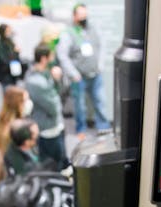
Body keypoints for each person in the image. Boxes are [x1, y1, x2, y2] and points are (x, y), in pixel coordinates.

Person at [56, 4, 110, 138]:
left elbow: (102, 45)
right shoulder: (68, 33)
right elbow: (62, 55)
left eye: (85, 15)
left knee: (100, 101)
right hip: (79, 76)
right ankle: (81, 129)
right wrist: (73, 73)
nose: (84, 18)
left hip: (95, 74)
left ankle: (103, 126)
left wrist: (100, 64)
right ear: (74, 16)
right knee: (80, 105)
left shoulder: (93, 28)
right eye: (81, 15)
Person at [25, 43, 67, 169]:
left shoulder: (46, 74)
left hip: (55, 125)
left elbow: (58, 94)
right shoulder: (36, 82)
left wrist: (56, 80)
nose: (53, 59)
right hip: (48, 130)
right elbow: (53, 105)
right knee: (52, 165)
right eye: (51, 56)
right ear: (44, 58)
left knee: (60, 161)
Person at [0, 86, 31, 182]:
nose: (28, 103)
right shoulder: (12, 130)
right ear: (18, 104)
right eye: (25, 101)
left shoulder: (5, 121)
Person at [0, 24, 25, 89]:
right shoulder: (2, 46)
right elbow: (5, 60)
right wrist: (15, 53)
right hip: (6, 77)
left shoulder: (10, 43)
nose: (10, 32)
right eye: (8, 31)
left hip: (13, 75)